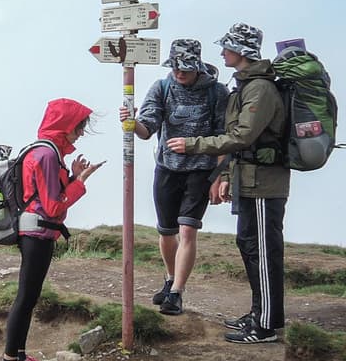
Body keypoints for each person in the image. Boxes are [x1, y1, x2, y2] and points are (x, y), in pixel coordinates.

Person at [166, 22, 287, 344]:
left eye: (227, 47)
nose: (221, 53)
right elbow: (242, 141)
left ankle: (265, 326)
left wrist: (193, 145)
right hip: (250, 180)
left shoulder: (259, 89)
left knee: (263, 252)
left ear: (241, 51)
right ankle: (259, 314)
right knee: (249, 246)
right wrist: (225, 176)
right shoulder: (246, 85)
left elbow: (242, 136)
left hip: (265, 183)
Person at [118, 39, 229, 315]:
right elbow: (147, 130)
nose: (180, 73)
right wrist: (132, 123)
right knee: (166, 231)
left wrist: (219, 176)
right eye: (176, 67)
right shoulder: (162, 87)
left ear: (198, 67)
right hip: (167, 168)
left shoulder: (217, 92)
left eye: (186, 69)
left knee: (188, 230)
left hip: (200, 171)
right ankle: (170, 279)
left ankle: (177, 292)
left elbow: (224, 137)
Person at [0, 98, 104, 361]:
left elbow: (45, 195)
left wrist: (71, 177)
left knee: (30, 297)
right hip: (37, 233)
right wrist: (79, 183)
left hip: (36, 230)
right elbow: (53, 206)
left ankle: (20, 358)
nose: (81, 133)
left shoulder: (47, 152)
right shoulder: (47, 155)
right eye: (78, 127)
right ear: (65, 125)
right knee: (26, 298)